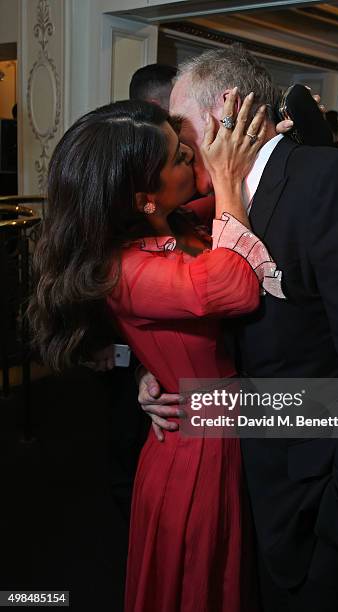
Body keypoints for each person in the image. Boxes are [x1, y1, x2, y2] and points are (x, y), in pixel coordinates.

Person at [139, 46, 338, 612]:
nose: (173, 142)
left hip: (322, 506)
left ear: (224, 109)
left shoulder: (334, 182)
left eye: (181, 125)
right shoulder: (212, 206)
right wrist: (162, 384)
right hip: (250, 490)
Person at [28, 95, 288, 611]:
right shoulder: (124, 268)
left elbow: (210, 214)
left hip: (212, 419)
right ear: (143, 196)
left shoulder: (169, 222)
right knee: (197, 583)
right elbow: (234, 288)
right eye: (178, 157)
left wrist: (253, 152)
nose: (192, 156)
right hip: (198, 449)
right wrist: (229, 179)